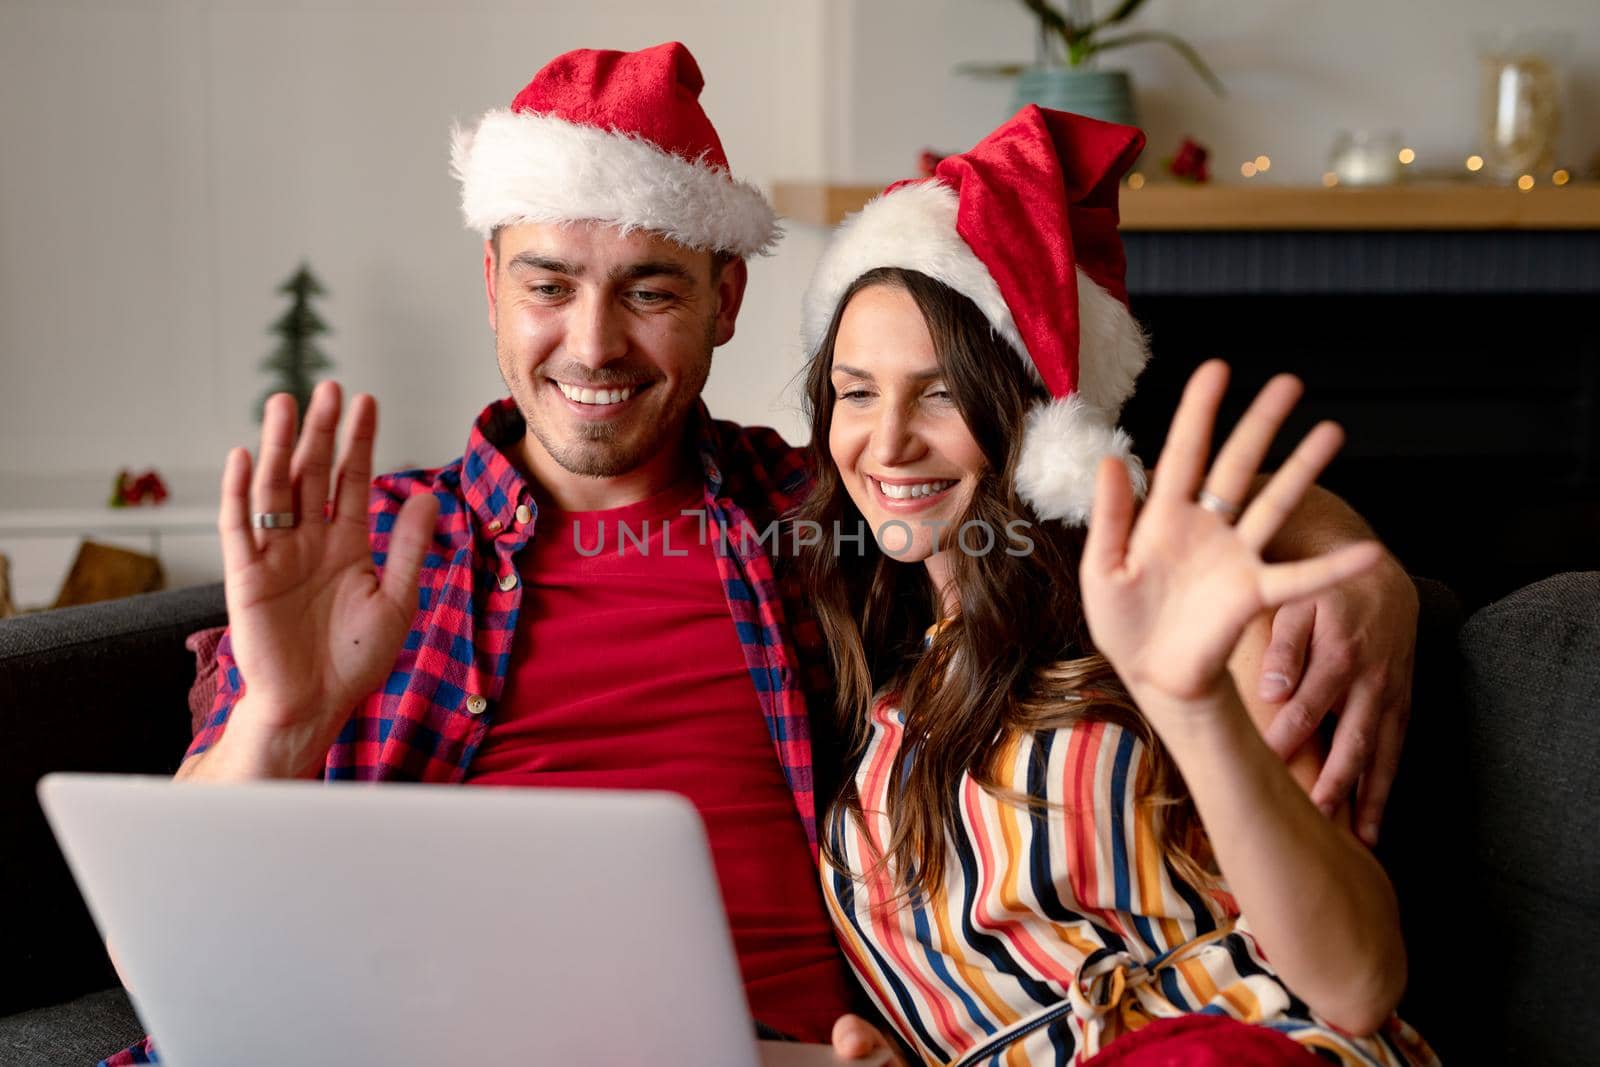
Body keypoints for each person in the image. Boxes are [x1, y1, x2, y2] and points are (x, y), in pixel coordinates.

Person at [105, 42, 1417, 1066]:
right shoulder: (375, 547)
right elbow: (193, 944)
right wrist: (275, 718)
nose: (595, 342)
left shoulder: (824, 512)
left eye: (652, 289)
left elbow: (1083, 474)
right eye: (550, 283)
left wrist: (1363, 566)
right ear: (492, 285)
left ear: (727, 300)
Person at [796, 107, 1437, 1065]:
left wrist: (1194, 702)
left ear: (1033, 415)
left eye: (939, 392)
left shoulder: (1171, 609)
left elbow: (1355, 979)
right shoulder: (860, 667)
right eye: (856, 391)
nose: (887, 442)